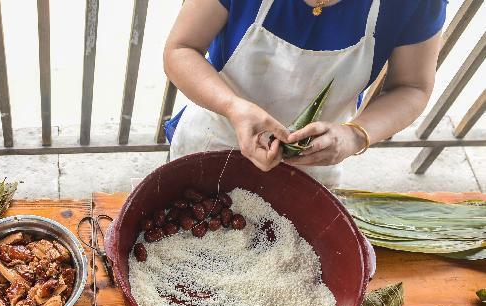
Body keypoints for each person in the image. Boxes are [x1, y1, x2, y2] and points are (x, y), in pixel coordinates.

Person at [163, 0, 445, 188]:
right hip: (215, 138)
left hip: (312, 165)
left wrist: (355, 135)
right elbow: (181, 49)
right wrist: (233, 107)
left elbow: (412, 87)